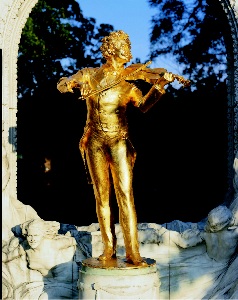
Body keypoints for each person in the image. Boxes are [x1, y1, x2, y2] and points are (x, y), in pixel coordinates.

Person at [57, 30, 175, 266]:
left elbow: (143, 106)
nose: (129, 51)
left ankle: (133, 253)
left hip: (118, 142)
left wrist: (160, 86)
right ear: (111, 49)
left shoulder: (128, 86)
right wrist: (69, 84)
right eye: (125, 46)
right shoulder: (89, 75)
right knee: (101, 197)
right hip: (94, 141)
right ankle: (108, 249)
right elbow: (61, 84)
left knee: (125, 195)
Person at [3, 218, 80, 299]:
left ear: (42, 235)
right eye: (30, 235)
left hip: (67, 282)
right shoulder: (26, 246)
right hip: (47, 282)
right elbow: (8, 257)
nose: (32, 239)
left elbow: (74, 241)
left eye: (36, 235)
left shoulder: (53, 244)